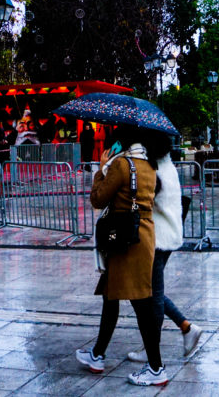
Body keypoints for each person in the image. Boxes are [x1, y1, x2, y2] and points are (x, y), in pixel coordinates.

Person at [75, 126, 167, 386]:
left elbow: (98, 199)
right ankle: (97, 354)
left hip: (125, 241)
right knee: (111, 295)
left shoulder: (122, 165)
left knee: (140, 304)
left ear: (123, 142)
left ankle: (157, 368)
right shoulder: (150, 165)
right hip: (143, 237)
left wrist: (101, 170)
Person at [126, 140, 203, 364]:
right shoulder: (166, 164)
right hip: (167, 234)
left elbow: (146, 197)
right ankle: (186, 328)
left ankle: (153, 352)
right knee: (151, 292)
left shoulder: (153, 168)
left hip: (156, 237)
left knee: (152, 295)